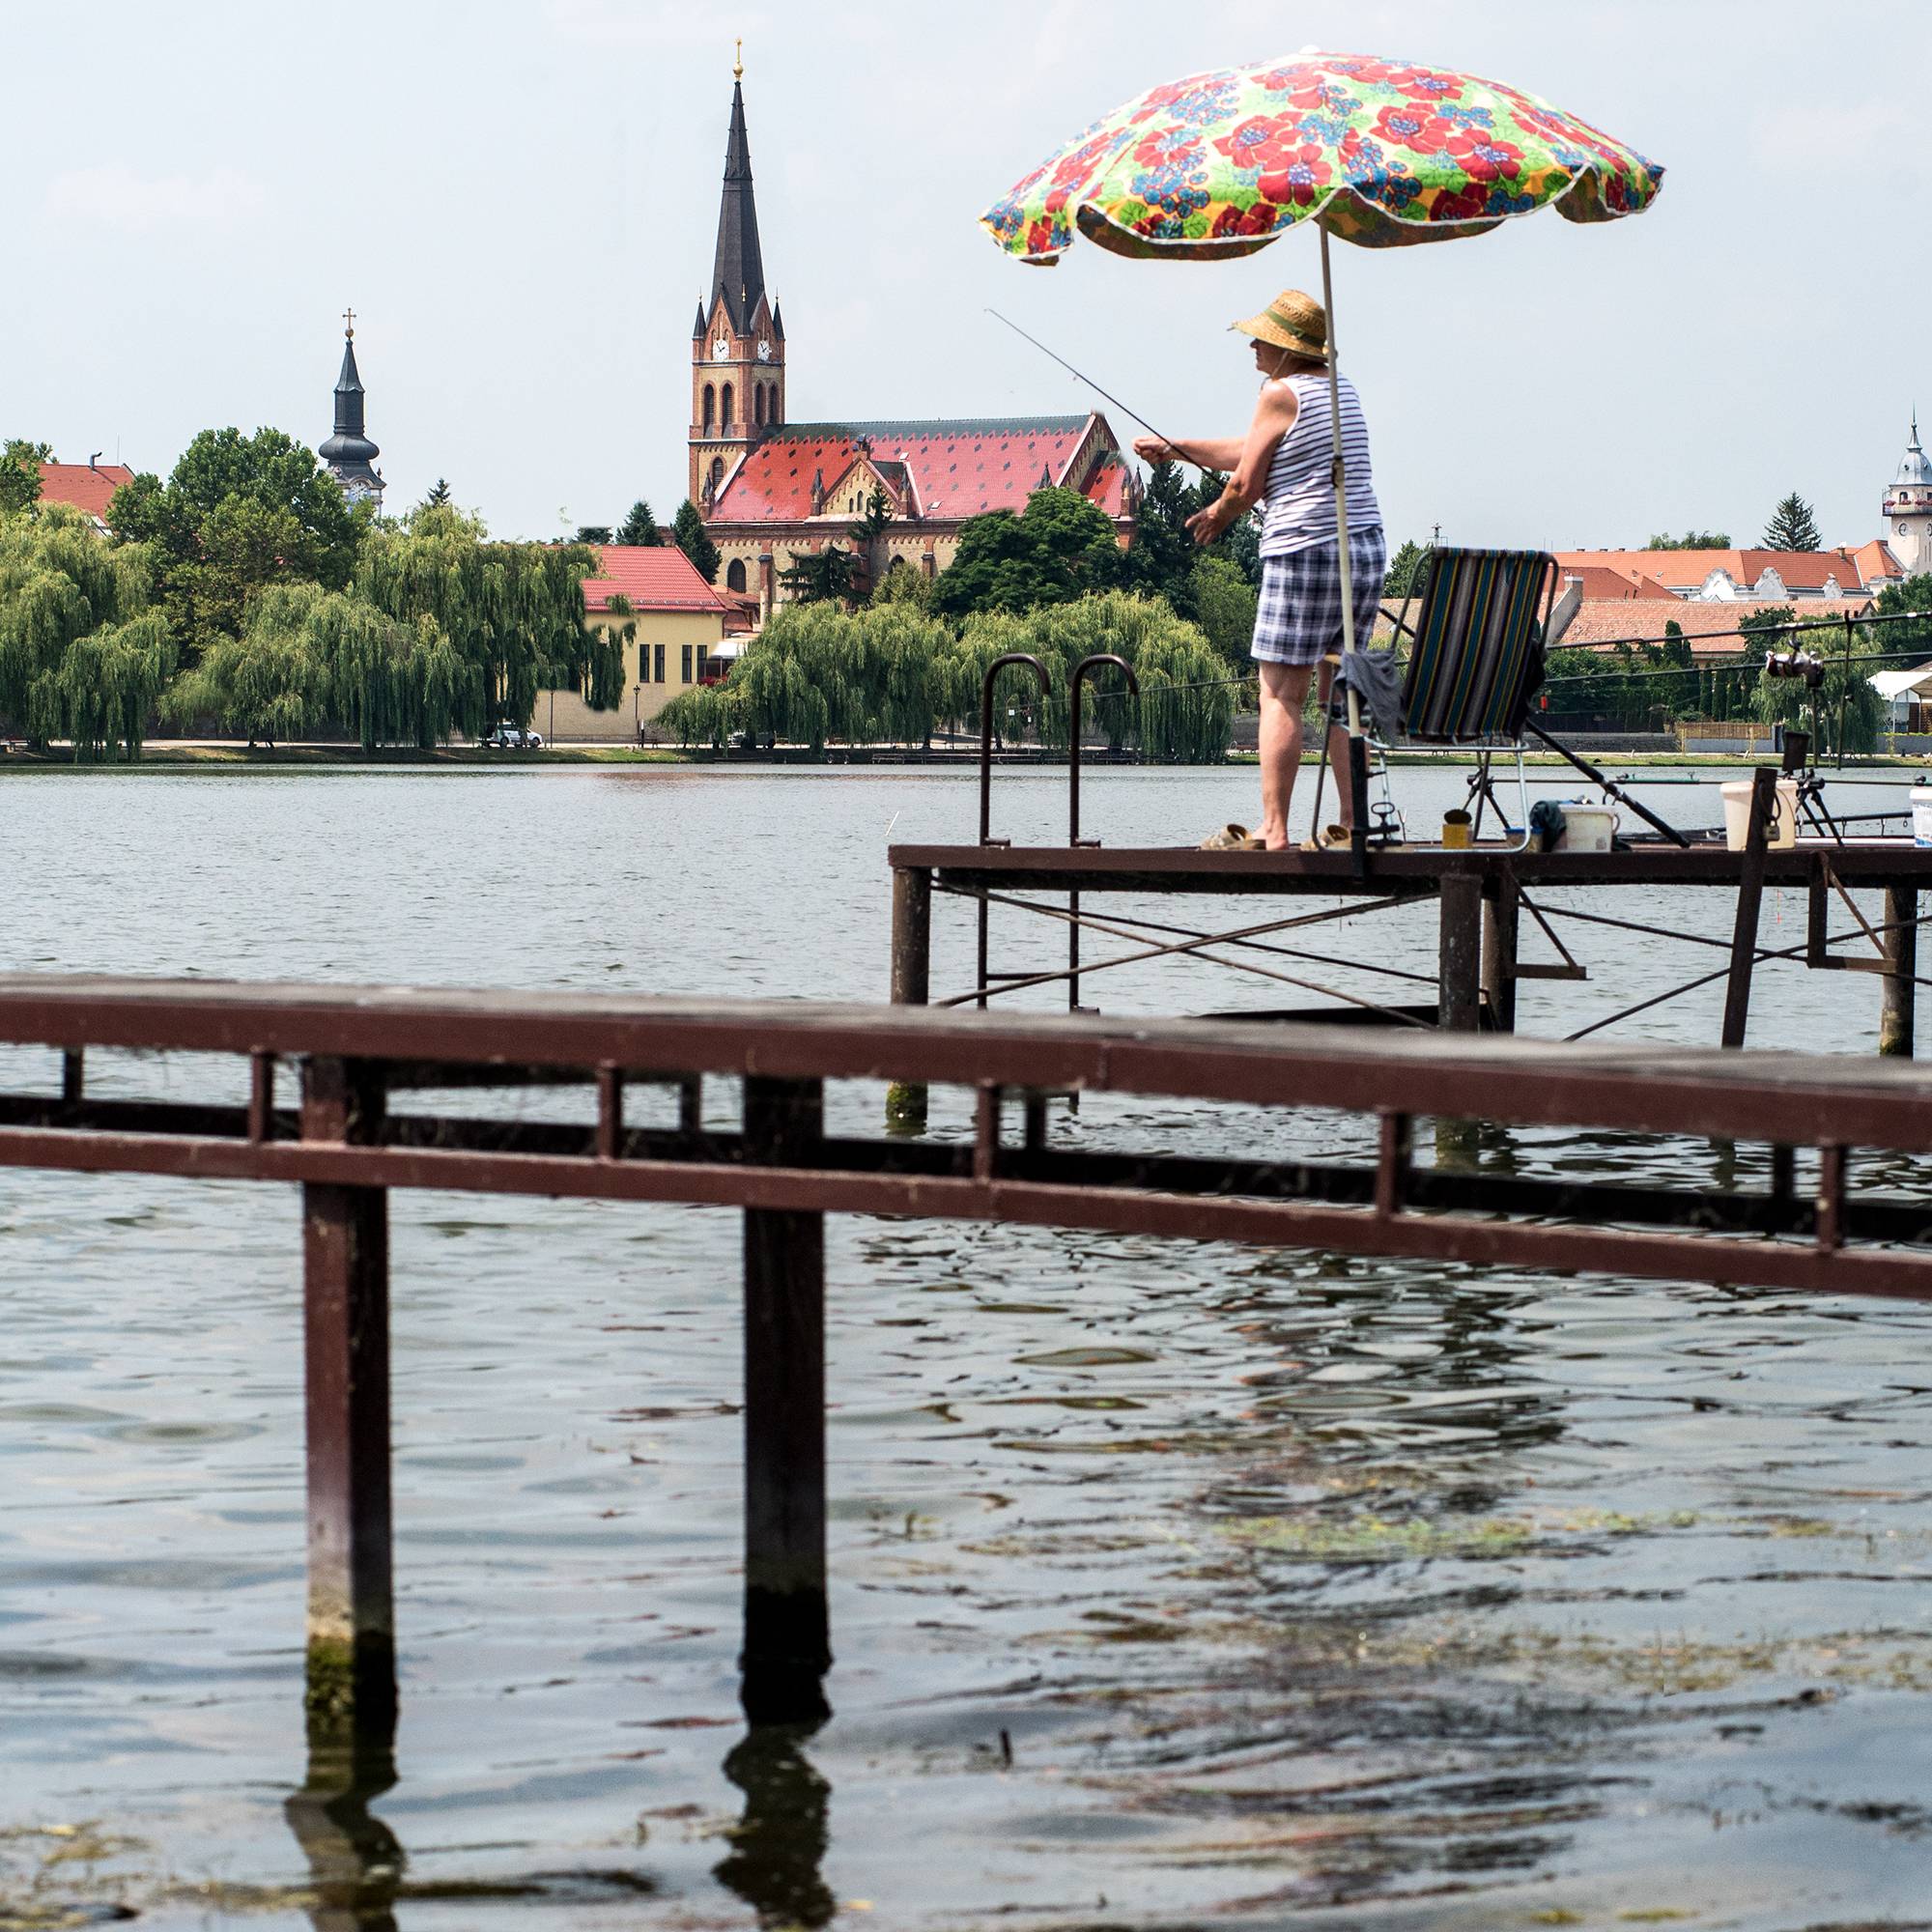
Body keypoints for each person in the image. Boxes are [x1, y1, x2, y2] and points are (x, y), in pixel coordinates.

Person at [1134, 288, 1385, 851]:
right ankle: (1355, 824)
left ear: (1285, 347)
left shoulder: (1278, 392)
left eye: (1260, 337)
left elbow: (1246, 481)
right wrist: (1177, 448)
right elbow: (1253, 450)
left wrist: (1217, 516)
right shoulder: (1341, 390)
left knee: (1280, 694)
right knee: (1344, 694)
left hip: (1303, 548)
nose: (1251, 344)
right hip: (1363, 549)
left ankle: (1275, 828)